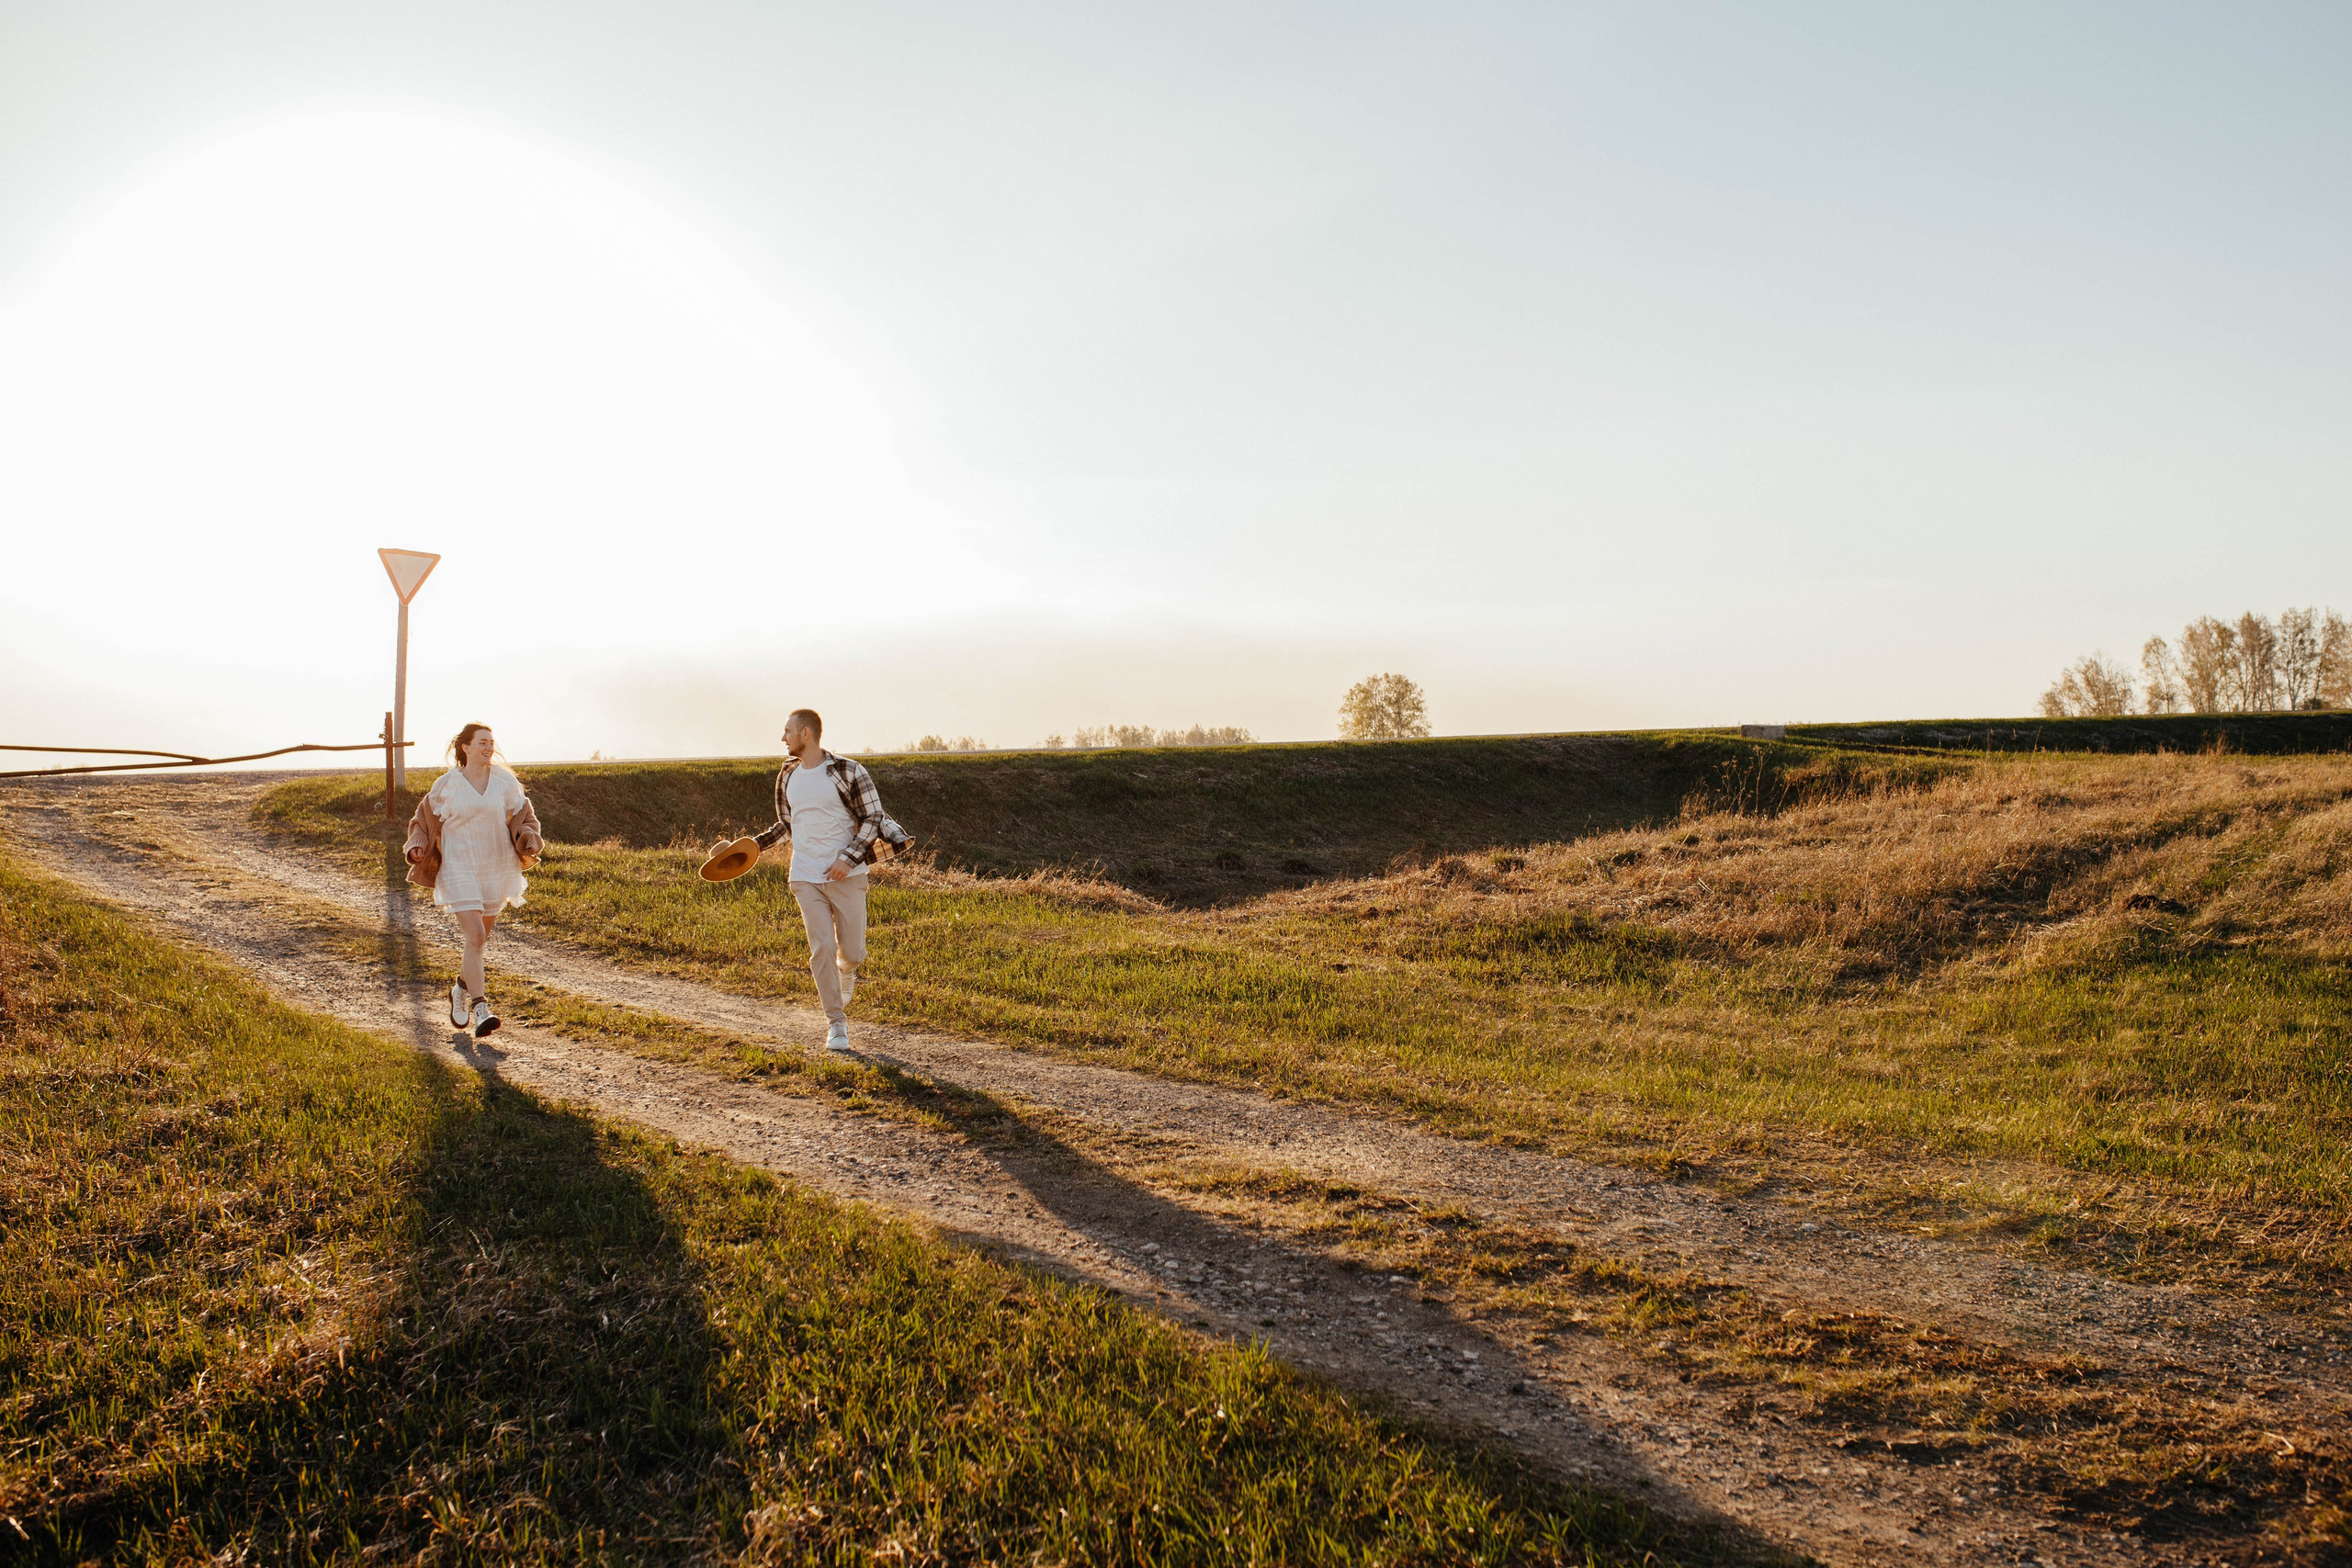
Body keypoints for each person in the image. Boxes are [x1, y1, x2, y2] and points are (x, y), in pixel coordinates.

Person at [752, 708, 893, 1053]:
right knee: (821, 948)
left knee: (853, 952)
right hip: (804, 875)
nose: (782, 738)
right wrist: (750, 847)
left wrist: (848, 859)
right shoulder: (787, 776)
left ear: (805, 734)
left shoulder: (848, 770)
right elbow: (787, 824)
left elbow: (873, 817)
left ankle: (848, 969)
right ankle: (836, 1023)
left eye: (787, 731)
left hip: (847, 875)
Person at [403, 722, 543, 1039]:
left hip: (496, 866)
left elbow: (526, 819)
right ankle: (481, 1008)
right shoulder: (447, 785)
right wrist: (416, 845)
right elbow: (421, 822)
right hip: (459, 866)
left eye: (492, 742)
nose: (489, 747)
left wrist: (530, 836)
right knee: (476, 937)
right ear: (465, 747)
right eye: (482, 742)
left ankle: (460, 988)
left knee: (477, 943)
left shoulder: (505, 782)